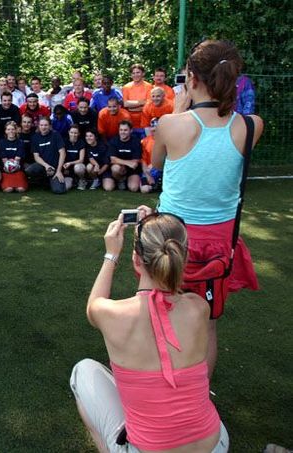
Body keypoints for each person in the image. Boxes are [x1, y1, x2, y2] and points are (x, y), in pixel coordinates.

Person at [70, 213, 230, 453]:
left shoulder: (110, 314)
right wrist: (158, 226)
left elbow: (94, 303)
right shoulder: (199, 307)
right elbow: (174, 289)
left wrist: (111, 254)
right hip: (216, 444)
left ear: (136, 259)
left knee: (82, 370)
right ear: (182, 258)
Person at [151, 39, 264, 377]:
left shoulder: (173, 124)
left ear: (192, 79)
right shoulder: (251, 125)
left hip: (172, 236)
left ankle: (165, 387)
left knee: (162, 315)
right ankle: (200, 393)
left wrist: (177, 110)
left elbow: (156, 162)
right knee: (207, 324)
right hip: (218, 242)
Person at [25, 117, 67, 194]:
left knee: (59, 190)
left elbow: (62, 153)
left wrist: (59, 171)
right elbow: (36, 156)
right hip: (43, 166)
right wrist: (46, 166)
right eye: (41, 125)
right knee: (29, 170)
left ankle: (55, 180)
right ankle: (44, 181)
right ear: (38, 126)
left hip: (55, 168)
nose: (43, 127)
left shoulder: (56, 135)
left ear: (50, 126)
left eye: (46, 125)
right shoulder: (35, 137)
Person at [109, 120, 143, 192]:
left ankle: (128, 181)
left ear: (130, 131)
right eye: (121, 130)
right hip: (119, 168)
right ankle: (121, 180)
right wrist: (127, 163)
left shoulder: (136, 141)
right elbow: (113, 159)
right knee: (115, 168)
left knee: (134, 188)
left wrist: (125, 163)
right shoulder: (114, 141)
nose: (122, 132)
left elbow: (136, 161)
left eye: (125, 130)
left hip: (132, 169)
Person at [0, 121, 28, 193]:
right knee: (8, 189)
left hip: (18, 169)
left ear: (16, 130)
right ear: (5, 131)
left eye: (13, 129)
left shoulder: (20, 142)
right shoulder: (1, 143)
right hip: (6, 170)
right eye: (8, 129)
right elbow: (4, 160)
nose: (11, 131)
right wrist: (8, 167)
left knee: (20, 189)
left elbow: (17, 160)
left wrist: (13, 165)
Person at [122, 64, 153, 136]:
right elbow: (125, 104)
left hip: (145, 121)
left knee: (145, 143)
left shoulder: (149, 87)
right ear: (131, 75)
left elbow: (149, 105)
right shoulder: (126, 87)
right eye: (133, 73)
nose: (136, 75)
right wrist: (142, 102)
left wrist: (131, 106)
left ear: (143, 73)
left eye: (138, 72)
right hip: (130, 122)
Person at [62, 124, 87, 190]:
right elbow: (62, 156)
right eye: (71, 132)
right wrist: (64, 168)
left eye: (75, 133)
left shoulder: (81, 142)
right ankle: (73, 181)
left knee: (78, 168)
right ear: (68, 132)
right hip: (67, 168)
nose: (73, 135)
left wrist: (70, 163)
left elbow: (81, 160)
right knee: (66, 187)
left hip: (77, 166)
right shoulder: (64, 142)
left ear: (78, 134)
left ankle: (82, 180)